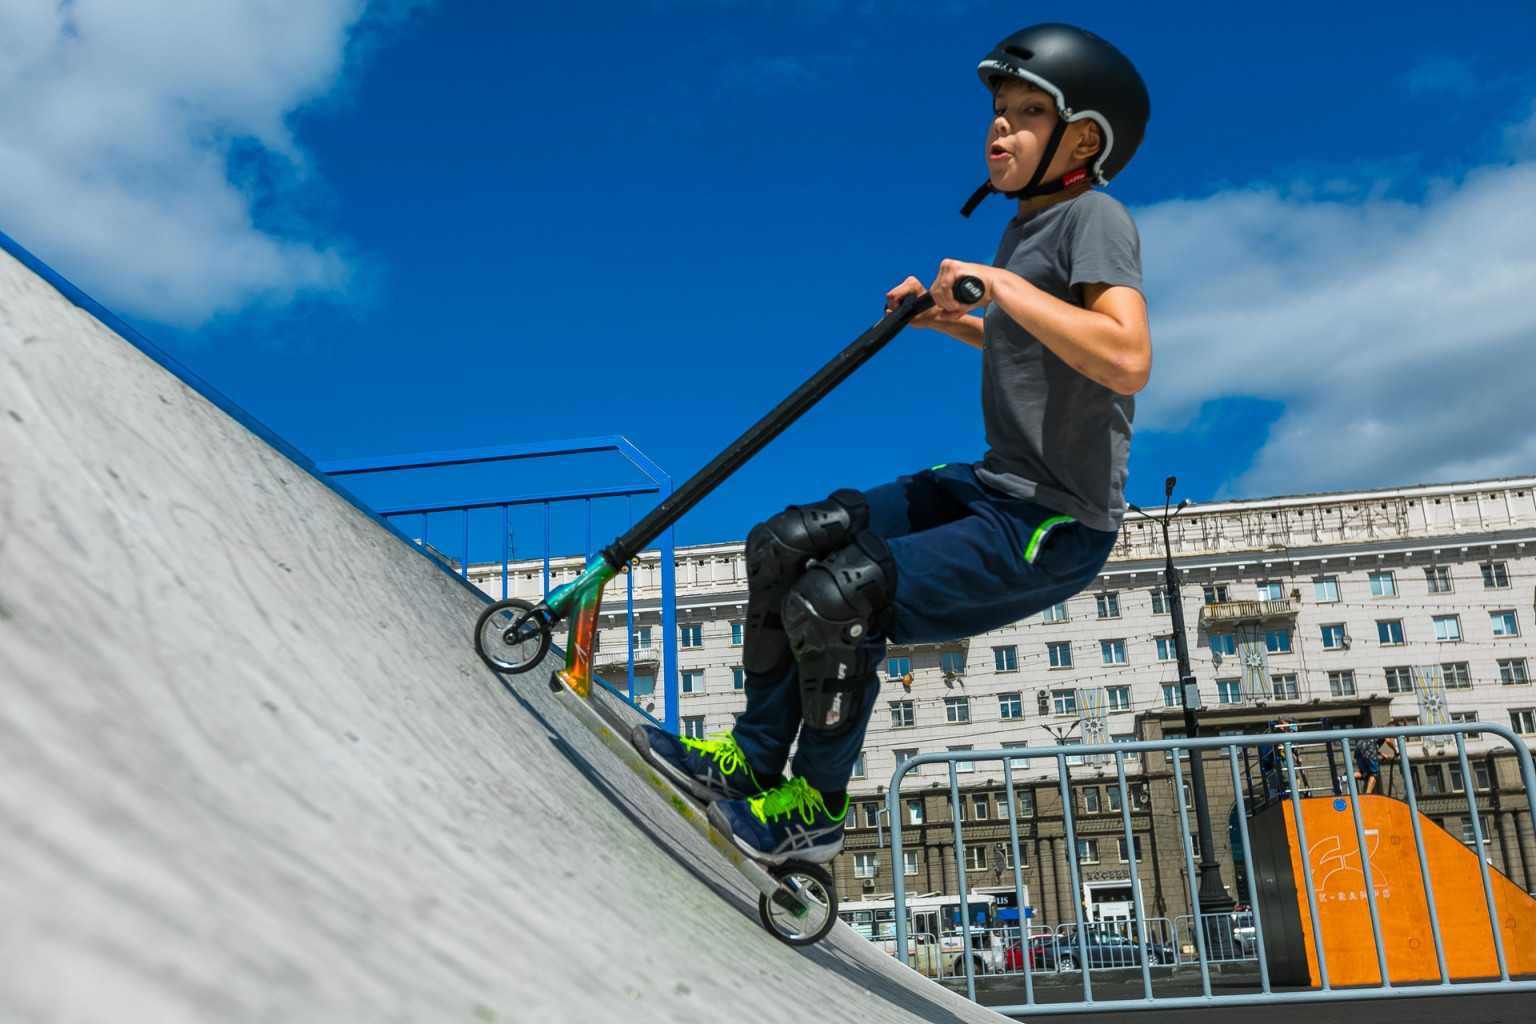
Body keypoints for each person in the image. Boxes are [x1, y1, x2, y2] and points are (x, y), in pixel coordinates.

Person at [631, 22, 1153, 868]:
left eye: (1026, 112)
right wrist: (955, 323)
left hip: (1055, 524)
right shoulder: (1024, 227)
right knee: (783, 544)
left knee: (842, 598)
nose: (999, 128)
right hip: (992, 485)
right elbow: (1042, 350)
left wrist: (1004, 286)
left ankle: (816, 809)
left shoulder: (1094, 216)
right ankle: (753, 761)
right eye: (996, 109)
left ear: (1083, 138)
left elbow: (1126, 358)